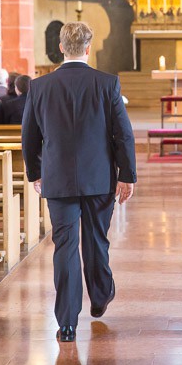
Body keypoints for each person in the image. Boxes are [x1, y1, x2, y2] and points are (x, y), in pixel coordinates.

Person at [22, 21, 136, 343]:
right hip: (99, 177)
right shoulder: (107, 83)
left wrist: (37, 173)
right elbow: (122, 134)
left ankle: (67, 323)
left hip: (57, 179)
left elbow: (29, 136)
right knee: (96, 241)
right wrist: (125, 176)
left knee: (66, 246)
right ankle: (100, 297)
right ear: (89, 48)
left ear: (60, 47)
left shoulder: (40, 87)